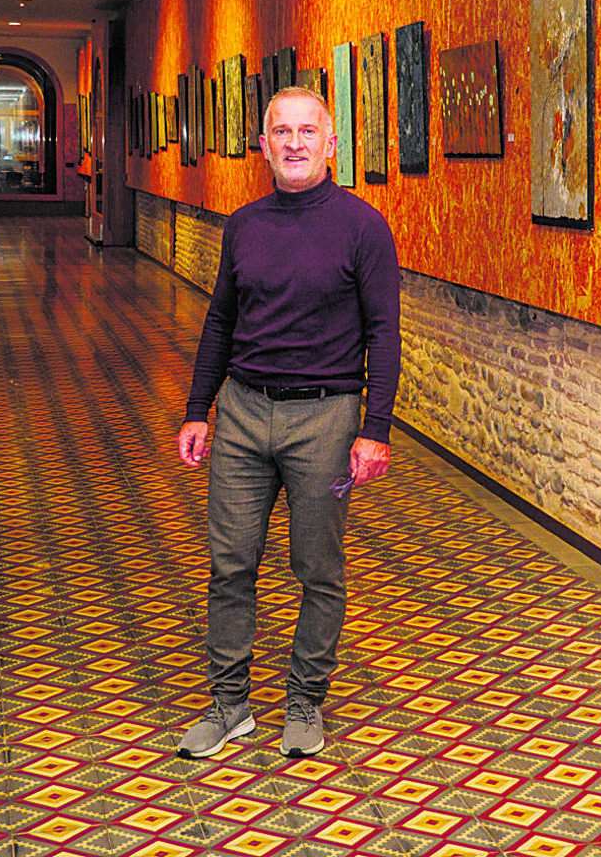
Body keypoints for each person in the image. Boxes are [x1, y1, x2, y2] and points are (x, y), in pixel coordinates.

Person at [175, 85, 399, 760]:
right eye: (281, 131)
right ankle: (230, 705)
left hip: (326, 422)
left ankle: (305, 699)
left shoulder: (364, 228)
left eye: (307, 131)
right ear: (263, 144)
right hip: (243, 415)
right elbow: (220, 320)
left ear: (331, 144)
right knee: (230, 564)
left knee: (318, 565)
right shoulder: (244, 225)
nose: (294, 142)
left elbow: (384, 332)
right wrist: (198, 409)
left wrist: (375, 427)